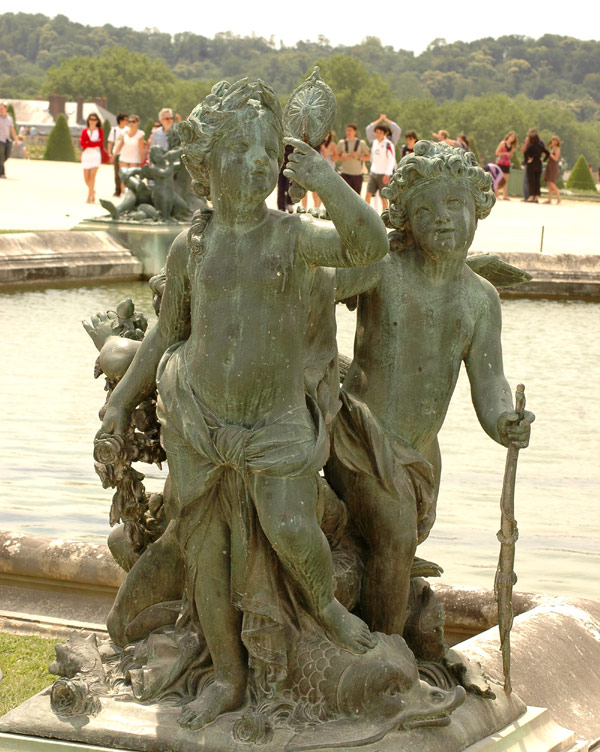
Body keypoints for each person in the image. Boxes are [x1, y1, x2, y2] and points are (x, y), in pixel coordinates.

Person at [97, 79, 387, 730]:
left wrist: (331, 182)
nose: (258, 162)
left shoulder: (291, 236)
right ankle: (227, 675)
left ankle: (328, 607)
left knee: (289, 526)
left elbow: (370, 247)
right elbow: (168, 335)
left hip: (276, 425)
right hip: (200, 420)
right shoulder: (191, 246)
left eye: (266, 151)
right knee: (206, 553)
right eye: (241, 149)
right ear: (203, 165)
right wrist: (121, 400)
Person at [326, 140, 534, 637]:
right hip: (358, 436)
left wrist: (504, 420)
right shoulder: (383, 269)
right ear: (406, 220)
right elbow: (315, 292)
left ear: (478, 207)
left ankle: (365, 630)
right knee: (395, 536)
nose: (442, 219)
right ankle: (386, 653)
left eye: (455, 204)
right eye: (426, 209)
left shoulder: (481, 299)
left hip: (420, 453)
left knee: (388, 544)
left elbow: (490, 381)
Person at [365, 121, 396, 209]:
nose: (378, 134)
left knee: (383, 198)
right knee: (368, 194)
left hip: (384, 174)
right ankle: (366, 216)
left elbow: (392, 160)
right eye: (377, 132)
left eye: (380, 133)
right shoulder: (374, 143)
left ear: (385, 134)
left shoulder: (388, 145)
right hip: (373, 172)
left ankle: (384, 219)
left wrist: (387, 174)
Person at [337, 123, 370, 195]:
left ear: (355, 132)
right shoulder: (341, 142)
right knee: (344, 195)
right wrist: (342, 158)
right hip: (345, 174)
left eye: (350, 130)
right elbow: (335, 157)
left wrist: (358, 157)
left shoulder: (361, 143)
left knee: (356, 196)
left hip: (357, 175)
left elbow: (368, 157)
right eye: (347, 130)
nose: (348, 132)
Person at [80, 112, 103, 203]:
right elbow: (82, 143)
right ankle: (92, 191)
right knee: (86, 178)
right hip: (86, 155)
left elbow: (100, 143)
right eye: (91, 119)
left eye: (94, 120)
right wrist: (92, 143)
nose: (92, 121)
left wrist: (89, 143)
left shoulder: (99, 131)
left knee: (92, 176)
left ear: (97, 121)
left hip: (96, 155)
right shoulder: (85, 131)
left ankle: (89, 197)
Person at [523, 130, 549, 203]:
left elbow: (525, 153)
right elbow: (547, 153)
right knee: (537, 182)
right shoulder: (540, 145)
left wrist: (527, 160)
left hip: (531, 164)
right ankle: (536, 197)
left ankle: (531, 197)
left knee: (531, 181)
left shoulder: (530, 145)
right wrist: (543, 160)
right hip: (538, 163)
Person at [108, 113, 128, 197]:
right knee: (117, 173)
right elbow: (110, 142)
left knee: (125, 172)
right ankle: (118, 190)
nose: (127, 121)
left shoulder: (128, 129)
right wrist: (110, 153)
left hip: (126, 153)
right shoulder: (114, 130)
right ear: (120, 120)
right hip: (117, 153)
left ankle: (125, 189)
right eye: (126, 120)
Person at [495, 131, 518, 201]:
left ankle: (504, 195)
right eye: (511, 136)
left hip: (507, 164)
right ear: (508, 136)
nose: (512, 138)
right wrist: (505, 153)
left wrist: (511, 154)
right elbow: (497, 153)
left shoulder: (512, 146)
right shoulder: (503, 143)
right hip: (500, 163)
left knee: (505, 180)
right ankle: (496, 195)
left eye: (514, 138)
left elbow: (510, 156)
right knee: (498, 179)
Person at [0, 101, 20, 179]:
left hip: (7, 139)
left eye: (2, 108)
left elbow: (12, 130)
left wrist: (16, 139)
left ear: (6, 109)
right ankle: (2, 173)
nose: (0, 110)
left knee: (7, 155)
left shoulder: (9, 119)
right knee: (1, 156)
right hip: (0, 140)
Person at [544, 136, 561, 205]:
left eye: (555, 141)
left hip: (553, 166)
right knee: (549, 183)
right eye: (553, 140)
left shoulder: (557, 149)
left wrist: (550, 154)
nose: (554, 142)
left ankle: (559, 197)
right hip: (549, 165)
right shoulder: (551, 148)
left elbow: (556, 158)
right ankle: (549, 199)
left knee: (552, 183)